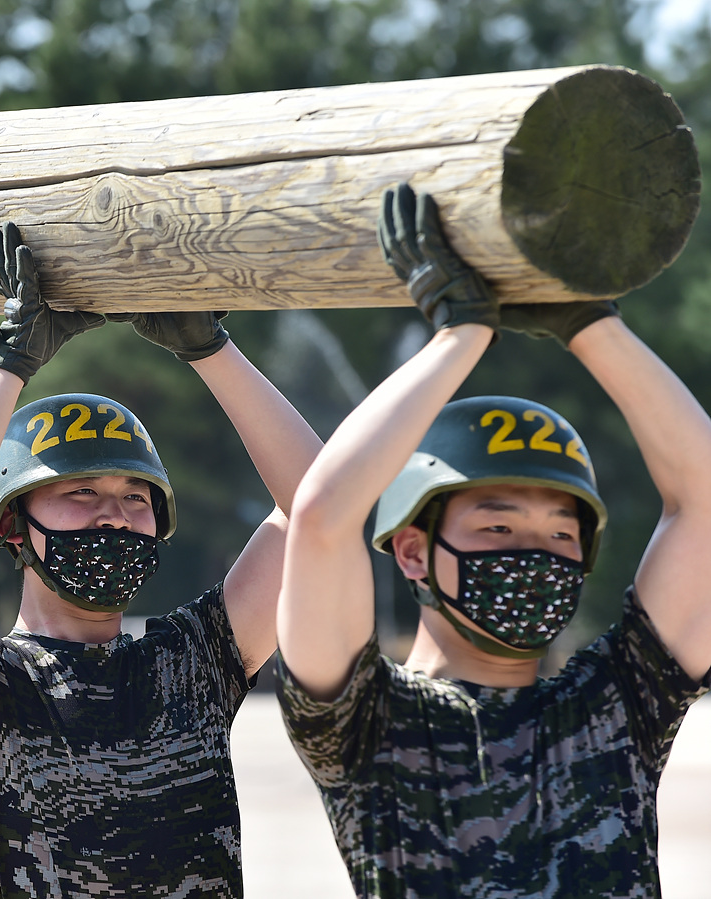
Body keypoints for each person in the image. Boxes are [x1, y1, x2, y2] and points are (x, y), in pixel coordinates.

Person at [274, 182, 711, 898]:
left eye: (561, 533)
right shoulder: (363, 720)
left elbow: (704, 502)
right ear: (413, 550)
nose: (536, 554)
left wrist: (588, 323)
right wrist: (461, 335)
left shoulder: (614, 703)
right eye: (498, 526)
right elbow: (323, 517)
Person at [0, 221, 323, 896]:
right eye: (80, 492)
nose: (114, 513)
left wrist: (210, 350)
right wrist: (10, 363)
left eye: (134, 496)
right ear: (11, 523)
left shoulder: (192, 660)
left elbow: (319, 508)